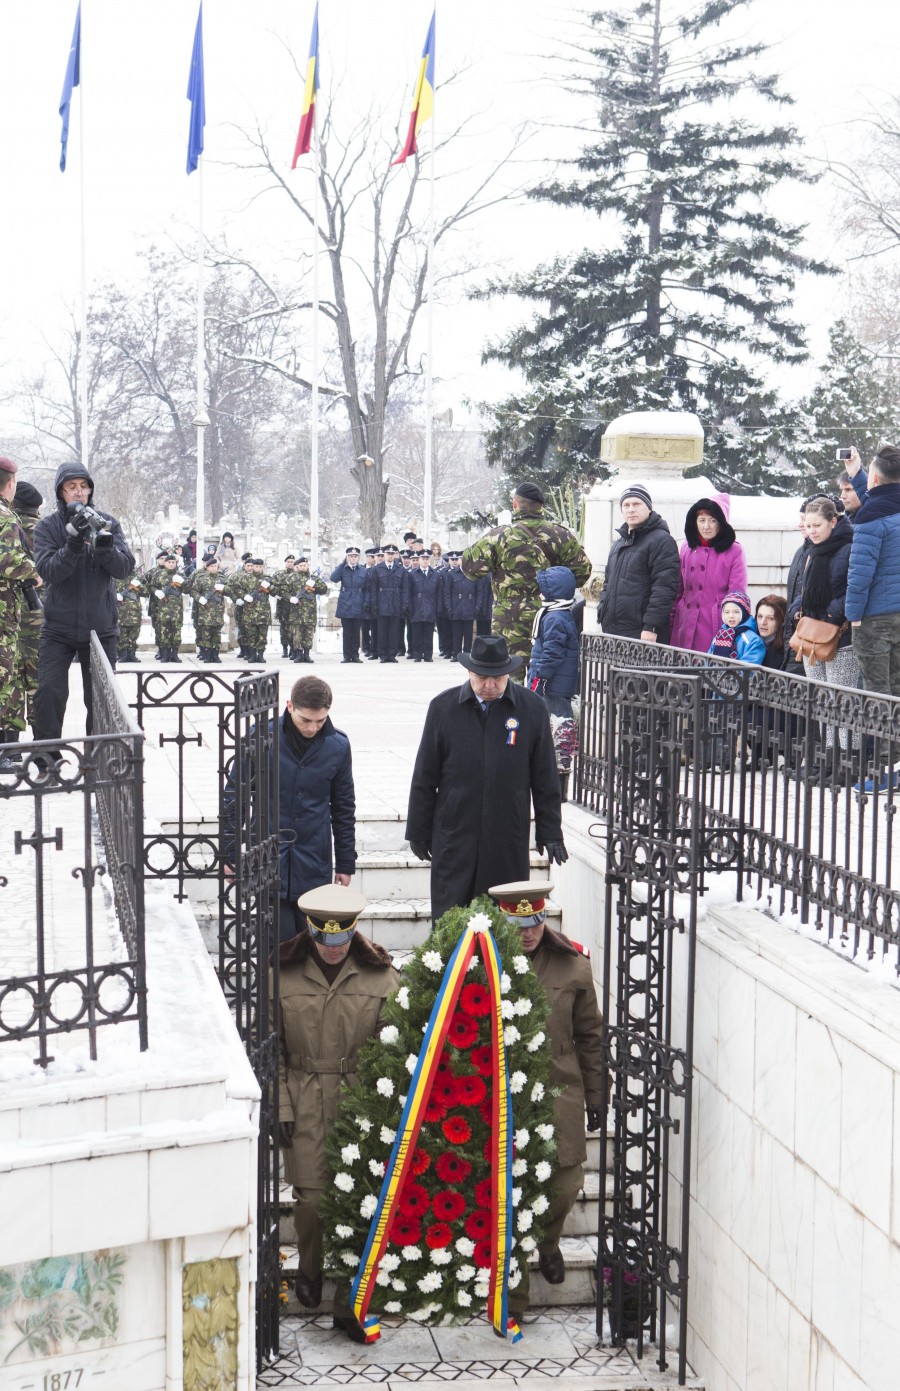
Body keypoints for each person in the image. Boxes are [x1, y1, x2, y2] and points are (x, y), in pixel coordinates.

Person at [277, 884, 399, 1336]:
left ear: (353, 933)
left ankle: (350, 1305)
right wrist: (281, 1105)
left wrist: (385, 1109)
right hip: (303, 1095)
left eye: (341, 939)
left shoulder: (382, 977)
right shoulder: (282, 975)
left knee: (360, 1203)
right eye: (324, 940)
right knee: (312, 1201)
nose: (333, 949)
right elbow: (268, 1049)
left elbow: (396, 1048)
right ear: (311, 932)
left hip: (359, 1100)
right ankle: (309, 1270)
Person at [488, 880, 603, 1305]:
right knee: (508, 1190)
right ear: (504, 920)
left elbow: (590, 1035)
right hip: (505, 1087)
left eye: (535, 921)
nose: (529, 932)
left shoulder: (573, 964)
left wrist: (596, 1096)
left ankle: (549, 1240)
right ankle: (511, 1297)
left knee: (567, 1179)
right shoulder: (485, 963)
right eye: (519, 924)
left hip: (560, 1084)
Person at [405, 634, 566, 925]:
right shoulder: (443, 708)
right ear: (469, 672)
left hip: (506, 836)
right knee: (450, 922)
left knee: (505, 923)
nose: (490, 686)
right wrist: (418, 827)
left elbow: (545, 777)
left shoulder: (531, 709)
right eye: (482, 678)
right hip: (455, 834)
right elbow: (424, 775)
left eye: (498, 678)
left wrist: (550, 830)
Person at [32, 461, 134, 743]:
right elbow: (49, 571)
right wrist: (73, 544)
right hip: (58, 629)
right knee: (49, 693)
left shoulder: (108, 522)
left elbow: (124, 568)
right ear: (61, 492)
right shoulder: (47, 528)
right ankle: (46, 761)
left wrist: (104, 547)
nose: (78, 492)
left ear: (90, 490)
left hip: (100, 628)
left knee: (100, 699)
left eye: (83, 486)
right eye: (71, 487)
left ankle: (98, 759)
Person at [462, 481, 591, 671]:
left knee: (509, 673)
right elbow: (582, 573)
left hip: (509, 620)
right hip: (550, 616)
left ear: (515, 504)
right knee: (546, 673)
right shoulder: (560, 535)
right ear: (542, 506)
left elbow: (469, 569)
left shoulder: (499, 536)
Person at [276, 675, 357, 942]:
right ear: (290, 706)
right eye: (305, 720)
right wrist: (230, 852)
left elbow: (343, 807)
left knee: (312, 945)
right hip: (269, 858)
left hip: (314, 860)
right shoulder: (262, 738)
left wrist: (345, 863)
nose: (312, 728)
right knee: (276, 947)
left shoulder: (337, 746)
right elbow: (236, 795)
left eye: (320, 721)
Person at [788, 496, 858, 781]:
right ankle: (828, 760)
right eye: (808, 525)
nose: (812, 530)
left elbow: (852, 590)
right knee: (823, 701)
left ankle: (847, 764)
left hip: (839, 636)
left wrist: (828, 617)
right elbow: (801, 590)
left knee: (842, 700)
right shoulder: (810, 552)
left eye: (817, 525)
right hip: (811, 635)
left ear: (833, 521)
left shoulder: (849, 548)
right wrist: (798, 614)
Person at [845, 445, 900, 791]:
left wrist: (852, 616)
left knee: (877, 695)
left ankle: (886, 772)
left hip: (875, 620)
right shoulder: (887, 508)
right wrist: (857, 473)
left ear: (876, 478)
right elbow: (884, 501)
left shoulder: (869, 518)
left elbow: (859, 573)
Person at [597, 485, 680, 643]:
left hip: (643, 633)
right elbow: (607, 584)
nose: (631, 509)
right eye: (626, 505)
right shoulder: (619, 544)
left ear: (649, 508)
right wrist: (603, 610)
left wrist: (651, 627)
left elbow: (664, 588)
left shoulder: (661, 540)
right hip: (613, 631)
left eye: (637, 504)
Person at [527, 566, 581, 802]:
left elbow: (552, 653)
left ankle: (557, 784)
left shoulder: (555, 618)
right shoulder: (557, 613)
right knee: (554, 729)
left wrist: (539, 679)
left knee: (559, 730)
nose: (540, 594)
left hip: (553, 685)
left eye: (544, 590)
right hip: (556, 684)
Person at [669, 494, 747, 652]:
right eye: (702, 520)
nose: (706, 526)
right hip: (685, 622)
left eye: (712, 520)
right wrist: (671, 618)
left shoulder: (734, 550)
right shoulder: (686, 548)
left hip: (715, 624)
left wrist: (731, 627)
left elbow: (737, 593)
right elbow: (678, 590)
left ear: (721, 523)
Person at [0, 459, 41, 754]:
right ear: (10, 482)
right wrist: (35, 572)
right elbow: (9, 562)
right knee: (11, 677)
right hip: (10, 613)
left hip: (11, 612)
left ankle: (8, 746)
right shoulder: (5, 516)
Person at [10, 480, 44, 735]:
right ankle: (41, 737)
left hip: (9, 611)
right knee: (36, 675)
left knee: (10, 675)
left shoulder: (8, 525)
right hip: (37, 611)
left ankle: (10, 742)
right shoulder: (42, 530)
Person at [363, 543, 406, 662]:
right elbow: (373, 588)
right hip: (382, 603)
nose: (390, 556)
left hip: (395, 603)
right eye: (388, 554)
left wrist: (404, 604)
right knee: (382, 631)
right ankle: (382, 654)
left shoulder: (400, 569)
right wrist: (374, 604)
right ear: (385, 555)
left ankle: (392, 654)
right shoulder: (377, 569)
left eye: (392, 554)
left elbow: (405, 588)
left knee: (393, 631)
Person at [185, 550, 228, 663]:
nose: (214, 568)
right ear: (207, 567)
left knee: (216, 634)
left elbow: (230, 591)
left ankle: (216, 655)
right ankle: (207, 655)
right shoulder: (201, 578)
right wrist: (200, 598)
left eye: (215, 566)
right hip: (205, 611)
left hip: (218, 611)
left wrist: (224, 588)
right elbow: (193, 591)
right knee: (206, 634)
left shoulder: (222, 579)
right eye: (211, 566)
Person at [707, 591, 766, 665]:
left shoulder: (753, 640)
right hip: (714, 676)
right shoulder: (719, 636)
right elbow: (708, 660)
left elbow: (747, 669)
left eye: (736, 612)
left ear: (744, 613)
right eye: (727, 612)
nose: (731, 616)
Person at [330, 546, 366, 663]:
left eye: (355, 556)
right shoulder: (343, 569)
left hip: (358, 603)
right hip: (345, 604)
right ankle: (346, 655)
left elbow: (367, 588)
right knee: (347, 632)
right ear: (347, 557)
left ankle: (355, 655)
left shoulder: (363, 570)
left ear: (358, 558)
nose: (353, 558)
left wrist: (366, 602)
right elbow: (333, 578)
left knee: (356, 632)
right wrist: (342, 564)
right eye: (351, 556)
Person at [439, 551, 479, 659]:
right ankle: (456, 654)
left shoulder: (473, 574)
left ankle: (466, 654)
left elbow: (478, 591)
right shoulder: (452, 574)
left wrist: (477, 605)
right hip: (456, 606)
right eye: (462, 560)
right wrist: (449, 606)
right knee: (456, 633)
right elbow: (447, 592)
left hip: (469, 607)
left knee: (468, 633)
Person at [404, 550, 438, 661]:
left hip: (430, 607)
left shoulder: (435, 574)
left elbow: (439, 592)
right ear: (419, 560)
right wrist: (408, 606)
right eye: (423, 559)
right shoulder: (412, 574)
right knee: (417, 634)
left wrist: (438, 608)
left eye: (427, 559)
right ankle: (417, 655)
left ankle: (428, 655)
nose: (425, 561)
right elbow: (408, 592)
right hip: (416, 607)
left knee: (428, 634)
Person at [755, 594, 788, 670]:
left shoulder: (786, 652)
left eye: (770, 618)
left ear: (781, 621)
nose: (763, 622)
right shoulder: (747, 641)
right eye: (760, 616)